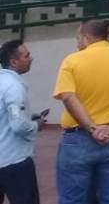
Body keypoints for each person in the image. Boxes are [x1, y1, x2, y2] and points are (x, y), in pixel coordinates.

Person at [53, 19, 109, 204]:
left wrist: (92, 128)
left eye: (78, 38)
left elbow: (69, 97)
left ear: (86, 38)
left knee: (72, 198)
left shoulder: (72, 61)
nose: (77, 42)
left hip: (78, 139)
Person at [0, 40, 41, 204]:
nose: (31, 58)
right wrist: (36, 125)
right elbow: (18, 125)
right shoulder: (13, 87)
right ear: (14, 62)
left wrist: (27, 116)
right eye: (27, 55)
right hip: (14, 161)